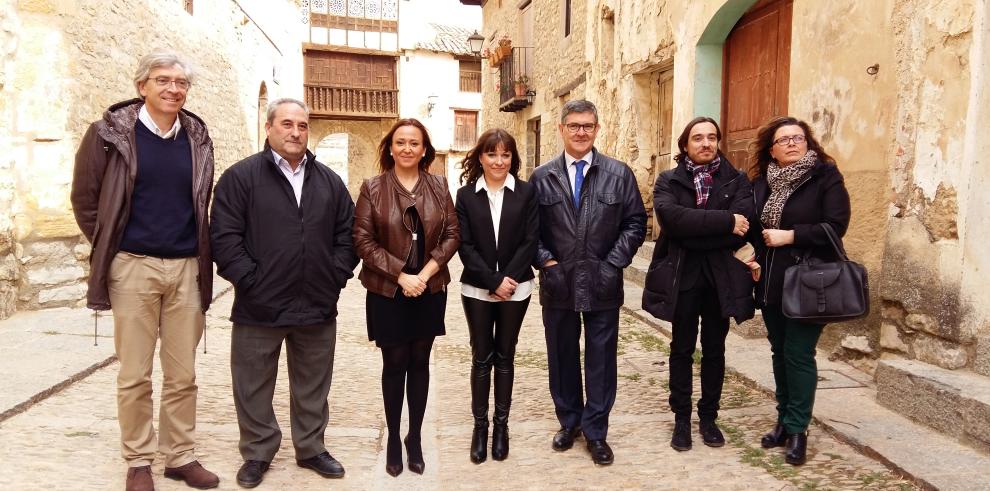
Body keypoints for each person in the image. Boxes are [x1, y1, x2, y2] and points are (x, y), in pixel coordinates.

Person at [71, 50, 219, 491]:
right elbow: (85, 199)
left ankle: (180, 456)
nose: (173, 89)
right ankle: (138, 460)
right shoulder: (108, 134)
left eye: (180, 83)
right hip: (132, 266)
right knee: (135, 373)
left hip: (186, 267)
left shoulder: (197, 137)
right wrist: (112, 247)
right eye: (163, 80)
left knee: (183, 374)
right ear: (142, 86)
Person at [210, 98, 359, 488]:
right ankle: (258, 451)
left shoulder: (329, 181)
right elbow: (224, 238)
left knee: (313, 383)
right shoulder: (240, 178)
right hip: (259, 305)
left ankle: (311, 447)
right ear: (269, 127)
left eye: (302, 126)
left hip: (316, 303)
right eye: (287, 124)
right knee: (252, 383)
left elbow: (348, 234)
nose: (295, 132)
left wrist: (334, 277)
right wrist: (251, 281)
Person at [531, 99, 647, 466]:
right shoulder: (542, 177)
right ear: (561, 129)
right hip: (558, 283)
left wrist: (613, 264)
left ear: (597, 129)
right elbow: (528, 230)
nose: (581, 132)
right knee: (562, 357)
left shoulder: (619, 173)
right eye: (574, 126)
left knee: (601, 361)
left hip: (602, 283)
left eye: (588, 126)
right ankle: (569, 423)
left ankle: (596, 432)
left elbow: (635, 223)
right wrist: (546, 261)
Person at [353, 119, 460, 477]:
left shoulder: (439, 186)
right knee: (394, 362)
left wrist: (425, 274)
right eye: (400, 142)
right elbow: (363, 241)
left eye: (414, 143)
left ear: (425, 149)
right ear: (390, 147)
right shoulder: (373, 187)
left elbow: (452, 235)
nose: (407, 149)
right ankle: (394, 437)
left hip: (428, 289)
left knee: (420, 361)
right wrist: (401, 275)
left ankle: (414, 437)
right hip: (387, 290)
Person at [642, 117, 756, 452]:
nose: (705, 143)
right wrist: (724, 223)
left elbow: (744, 223)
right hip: (683, 276)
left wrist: (697, 229)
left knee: (715, 349)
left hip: (721, 278)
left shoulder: (736, 180)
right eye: (697, 138)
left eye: (711, 138)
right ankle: (681, 419)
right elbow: (672, 222)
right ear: (685, 144)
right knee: (681, 348)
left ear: (718, 142)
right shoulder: (668, 180)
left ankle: (708, 417)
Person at [748, 116, 851, 465]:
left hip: (809, 281)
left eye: (799, 137)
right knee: (779, 351)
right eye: (784, 139)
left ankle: (798, 429)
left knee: (798, 353)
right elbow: (752, 228)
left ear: (807, 143)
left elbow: (836, 226)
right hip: (772, 281)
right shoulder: (763, 183)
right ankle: (783, 419)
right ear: (772, 150)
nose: (792, 143)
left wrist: (791, 235)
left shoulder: (825, 177)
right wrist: (751, 257)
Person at [455, 129, 539, 464]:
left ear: (512, 159)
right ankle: (480, 428)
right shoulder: (465, 196)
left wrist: (509, 280)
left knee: (506, 356)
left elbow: (530, 241)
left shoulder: (526, 192)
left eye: (505, 155)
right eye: (492, 155)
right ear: (481, 158)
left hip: (517, 289)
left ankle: (501, 427)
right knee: (481, 356)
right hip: (476, 289)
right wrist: (492, 281)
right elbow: (465, 246)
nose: (499, 161)